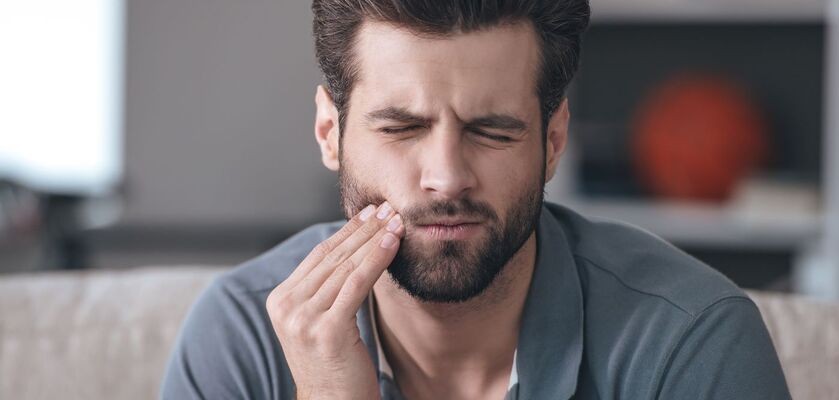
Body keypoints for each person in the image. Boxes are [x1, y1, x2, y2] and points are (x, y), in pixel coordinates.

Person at [161, 1, 792, 399]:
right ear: (331, 133)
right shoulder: (242, 337)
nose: (446, 177)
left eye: (492, 131)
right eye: (401, 128)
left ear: (552, 141)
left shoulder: (689, 339)